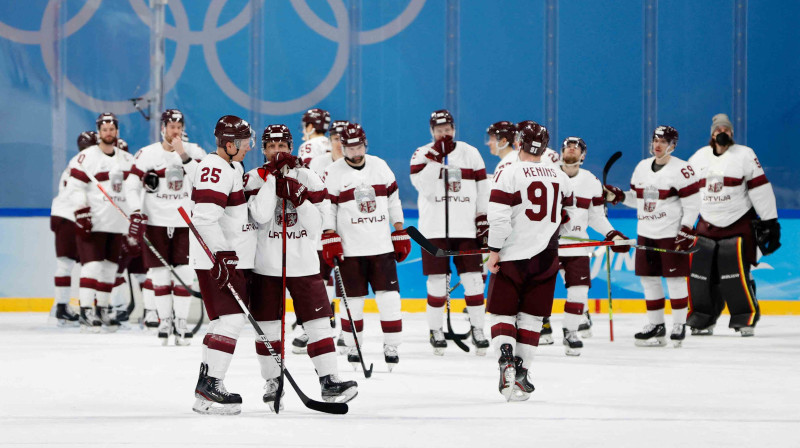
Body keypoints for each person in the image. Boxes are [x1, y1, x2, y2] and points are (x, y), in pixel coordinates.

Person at [244, 124, 358, 411]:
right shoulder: (253, 178)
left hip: (305, 266)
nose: (277, 151)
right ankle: (272, 381)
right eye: (272, 147)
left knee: (319, 326)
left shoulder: (309, 176)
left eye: (282, 146)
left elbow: (317, 226)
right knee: (268, 330)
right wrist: (272, 182)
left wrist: (300, 197)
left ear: (291, 148)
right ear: (264, 149)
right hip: (266, 267)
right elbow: (258, 215)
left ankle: (329, 380)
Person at [485, 121, 573, 401]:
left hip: (512, 256)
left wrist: (494, 251)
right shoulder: (560, 176)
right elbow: (570, 219)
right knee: (533, 318)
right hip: (547, 258)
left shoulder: (507, 172)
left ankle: (506, 359)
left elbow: (499, 220)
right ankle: (521, 373)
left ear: (519, 142)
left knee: (503, 314)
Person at [322, 123, 410, 371]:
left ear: (365, 144)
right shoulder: (333, 172)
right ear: (343, 147)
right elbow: (327, 207)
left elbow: (393, 199)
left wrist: (400, 229)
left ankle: (391, 345)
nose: (355, 152)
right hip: (350, 251)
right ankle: (352, 345)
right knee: (353, 302)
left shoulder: (380, 166)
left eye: (359, 146)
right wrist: (329, 235)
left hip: (380, 248)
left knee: (390, 299)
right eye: (350, 148)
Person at [686, 113, 781, 336]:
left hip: (738, 223)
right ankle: (702, 318)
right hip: (706, 225)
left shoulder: (745, 155)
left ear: (731, 134)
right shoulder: (698, 158)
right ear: (712, 134)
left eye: (726, 130)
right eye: (718, 130)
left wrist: (770, 221)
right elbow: (685, 193)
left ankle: (744, 318)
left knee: (737, 273)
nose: (722, 132)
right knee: (702, 274)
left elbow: (760, 189)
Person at [604, 126, 699, 348]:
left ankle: (678, 325)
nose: (658, 145)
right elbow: (638, 199)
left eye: (664, 142)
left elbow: (693, 204)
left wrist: (686, 229)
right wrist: (617, 196)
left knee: (675, 280)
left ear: (673, 146)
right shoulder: (641, 168)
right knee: (649, 280)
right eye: (656, 140)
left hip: (670, 234)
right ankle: (656, 325)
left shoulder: (683, 169)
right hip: (645, 233)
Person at [189, 115, 257, 415]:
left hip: (222, 258)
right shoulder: (215, 168)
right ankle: (212, 384)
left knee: (222, 322)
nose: (248, 148)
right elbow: (204, 217)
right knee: (231, 320)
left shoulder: (231, 165)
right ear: (229, 144)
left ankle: (205, 389)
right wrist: (223, 255)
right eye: (243, 143)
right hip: (217, 260)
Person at [410, 109, 491, 356]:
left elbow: (483, 189)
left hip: (466, 229)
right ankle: (435, 330)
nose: (444, 134)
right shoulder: (422, 153)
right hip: (434, 230)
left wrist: (482, 218)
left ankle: (478, 328)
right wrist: (435, 159)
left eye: (448, 129)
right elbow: (422, 186)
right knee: (437, 284)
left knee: (474, 281)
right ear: (431, 131)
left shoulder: (471, 153)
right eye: (439, 130)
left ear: (454, 129)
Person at [125, 109, 207, 345]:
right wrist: (136, 211)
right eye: (171, 126)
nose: (175, 130)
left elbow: (204, 179)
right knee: (159, 273)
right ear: (163, 128)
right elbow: (131, 185)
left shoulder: (194, 151)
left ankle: (180, 322)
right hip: (156, 223)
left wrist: (183, 154)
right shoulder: (147, 154)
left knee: (184, 273)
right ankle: (164, 321)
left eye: (179, 126)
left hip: (185, 222)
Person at [557, 137, 628, 355]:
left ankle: (571, 332)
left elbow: (596, 217)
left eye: (576, 147)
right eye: (567, 145)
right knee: (536, 291)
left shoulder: (591, 181)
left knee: (578, 291)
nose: (571, 148)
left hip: (576, 247)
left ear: (583, 156)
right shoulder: (549, 174)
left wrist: (612, 234)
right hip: (546, 245)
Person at [65, 113, 135, 332]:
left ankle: (102, 309)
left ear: (117, 131)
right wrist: (82, 212)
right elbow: (74, 187)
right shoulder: (86, 157)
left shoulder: (126, 159)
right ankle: (86, 310)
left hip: (117, 223)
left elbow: (135, 187)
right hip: (93, 222)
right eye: (104, 129)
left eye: (112, 129)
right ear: (99, 132)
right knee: (92, 266)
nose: (108, 133)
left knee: (110, 269)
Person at [293, 119, 349, 353]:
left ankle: (347, 331)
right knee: (317, 281)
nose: (338, 143)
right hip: (318, 231)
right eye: (336, 138)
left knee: (347, 283)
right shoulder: (317, 162)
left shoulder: (361, 166)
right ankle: (316, 326)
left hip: (346, 232)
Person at [50, 131, 96, 326]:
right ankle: (73, 308)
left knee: (65, 264)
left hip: (60, 215)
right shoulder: (88, 163)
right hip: (73, 216)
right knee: (89, 264)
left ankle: (61, 307)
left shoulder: (74, 161)